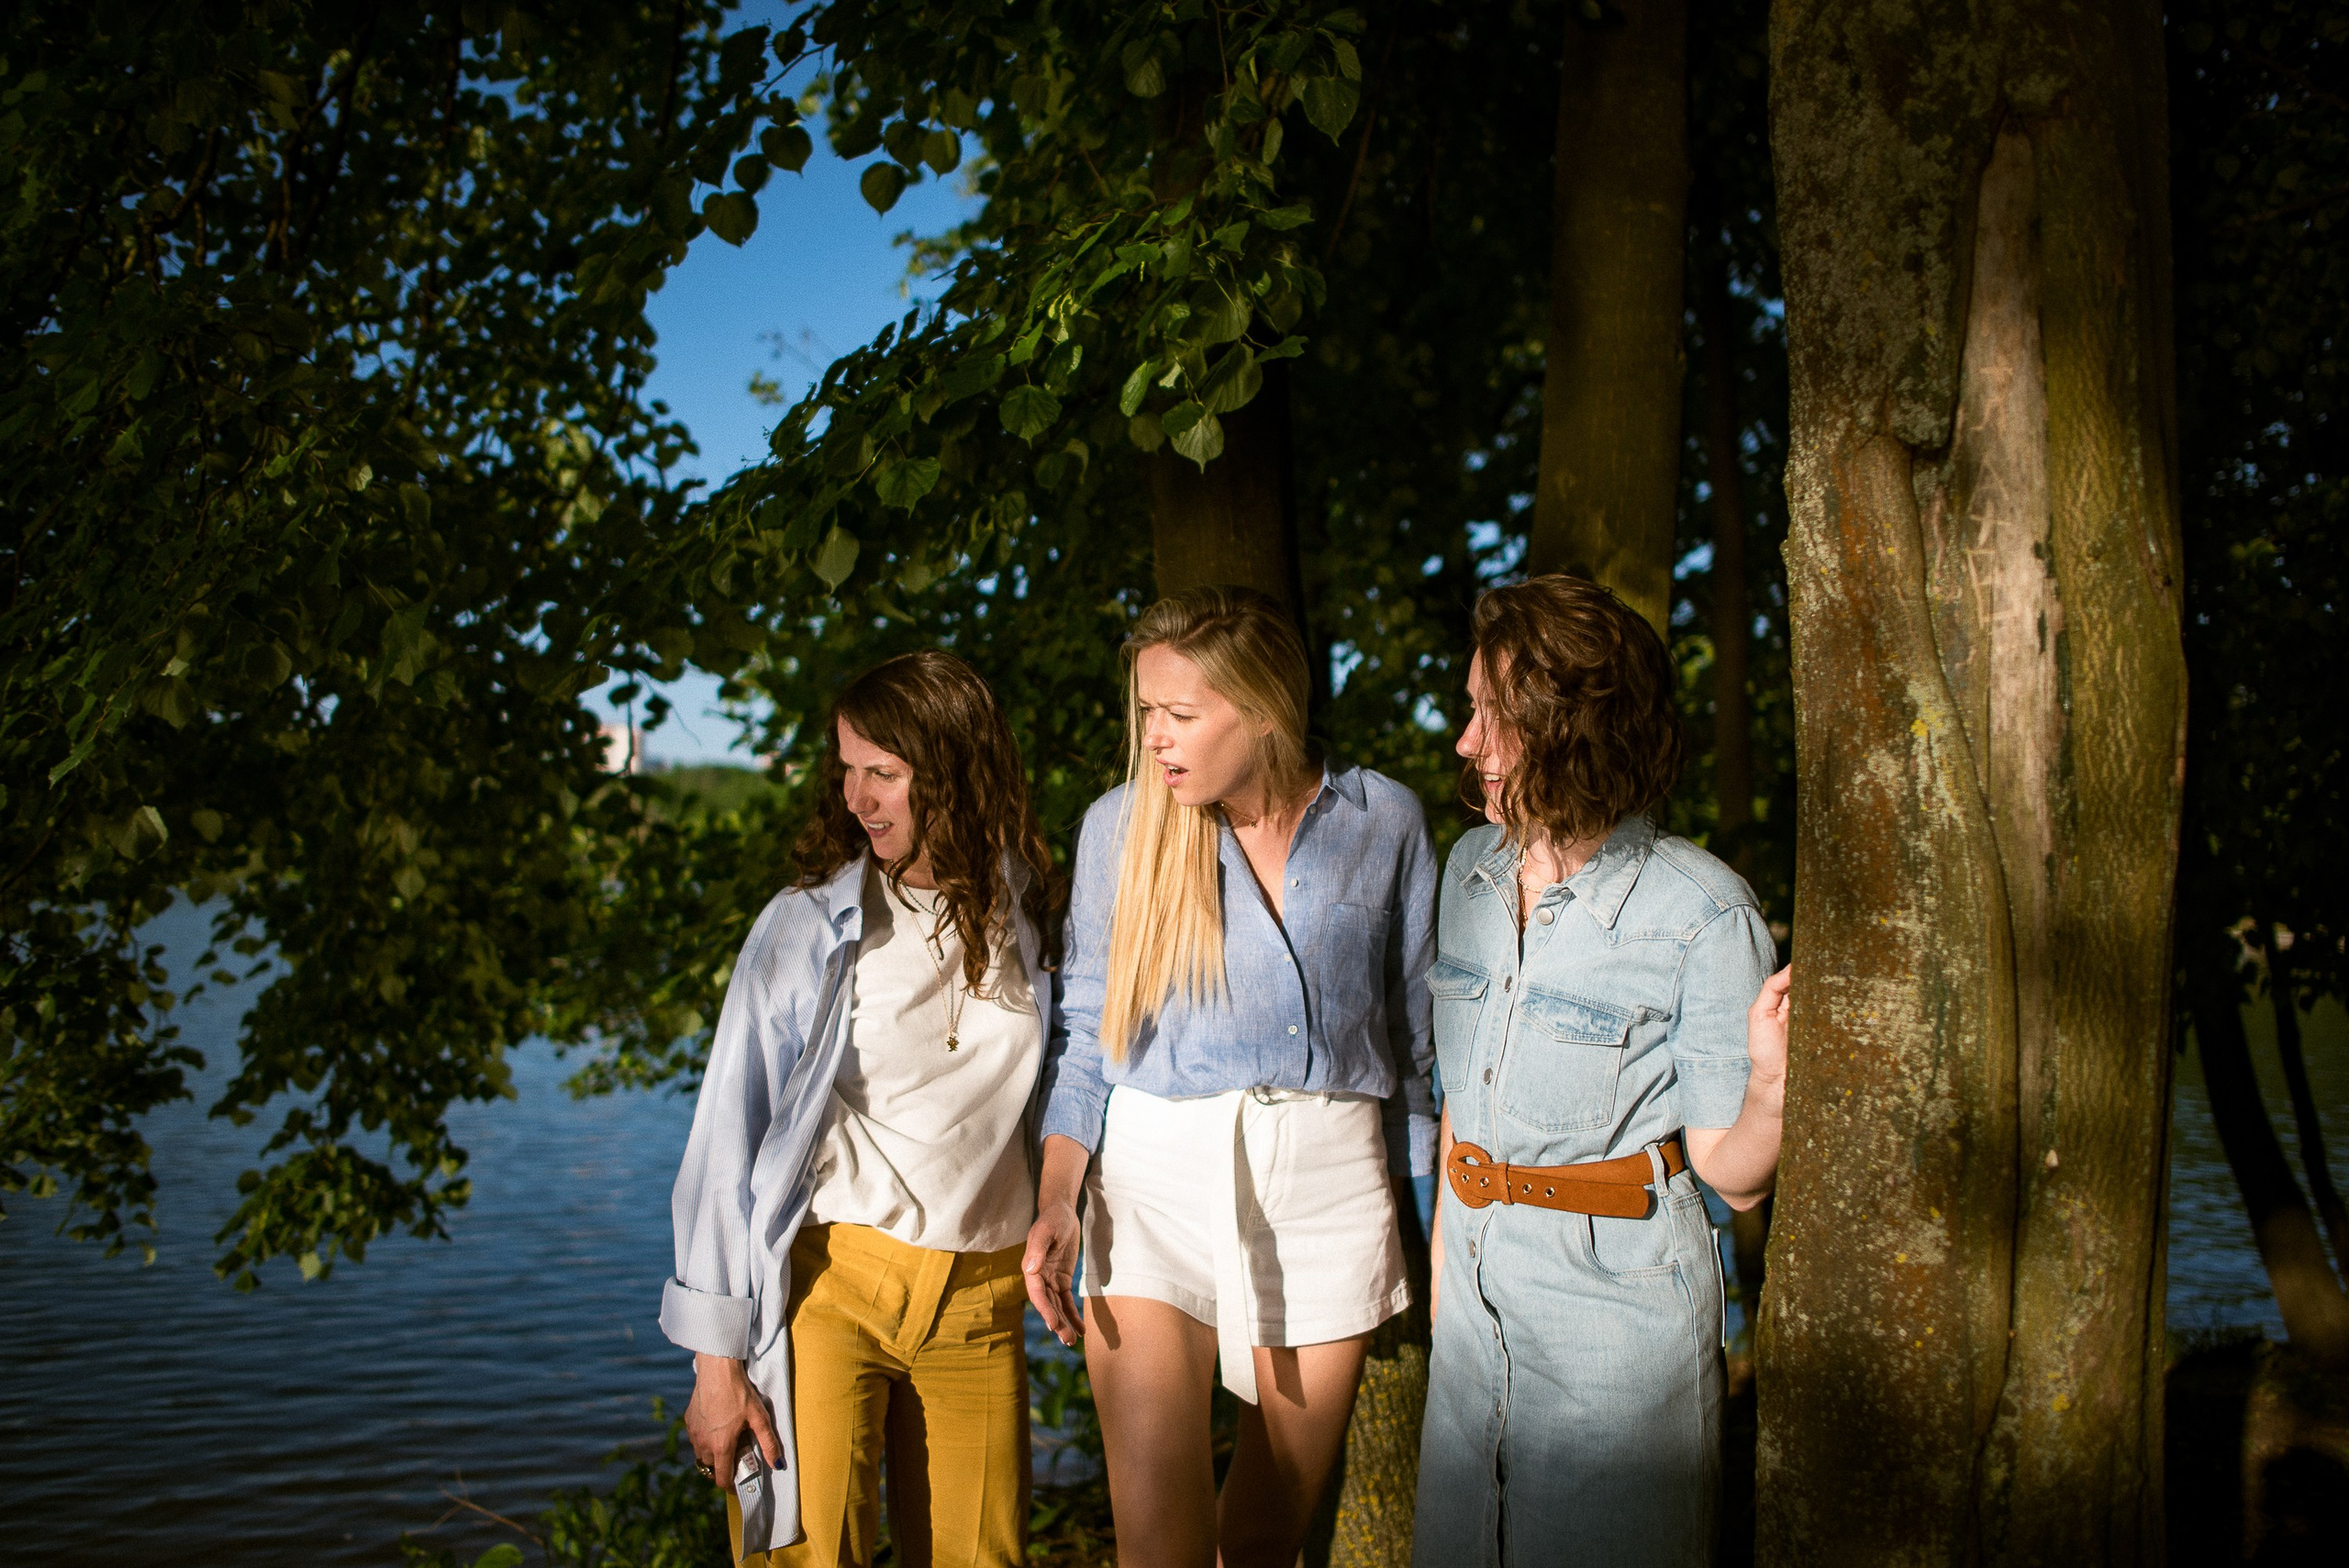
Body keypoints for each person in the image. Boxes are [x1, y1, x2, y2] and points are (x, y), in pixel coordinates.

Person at [1021, 585, 1439, 1568]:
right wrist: (1056, 1200)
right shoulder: (1122, 829)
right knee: (1158, 1546)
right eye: (1146, 715)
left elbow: (1417, 1044)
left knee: (1261, 1536)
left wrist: (1436, 1226)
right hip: (1155, 1174)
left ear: (1263, 708)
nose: (1156, 739)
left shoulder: (1384, 820)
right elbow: (1084, 1034)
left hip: (1330, 1182)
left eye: (1180, 715)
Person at [1410, 574, 1792, 1568]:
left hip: (1617, 1327)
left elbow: (1735, 1174)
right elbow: (1463, 1098)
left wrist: (1771, 1084)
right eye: (1470, 710)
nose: (1465, 742)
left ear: (1575, 728)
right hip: (1472, 1316)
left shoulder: (1704, 911)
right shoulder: (1469, 872)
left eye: (1492, 717)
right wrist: (1452, 1281)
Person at [659, 651, 1061, 1568]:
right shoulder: (808, 926)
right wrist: (715, 1364)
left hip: (984, 1294)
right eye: (846, 769)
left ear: (956, 770)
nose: (856, 796)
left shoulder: (1034, 907)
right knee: (810, 1556)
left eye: (883, 771)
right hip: (834, 1285)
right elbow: (727, 1141)